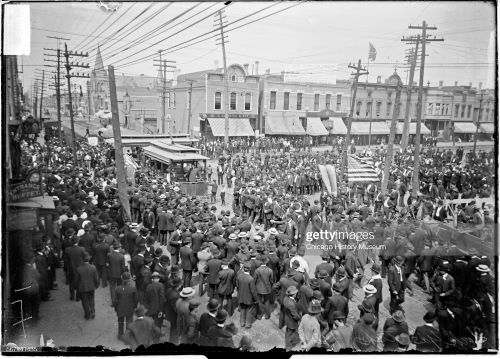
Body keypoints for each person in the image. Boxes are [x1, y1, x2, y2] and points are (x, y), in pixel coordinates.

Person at [75, 252, 99, 320]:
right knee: (91, 300)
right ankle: (93, 311)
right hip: (91, 287)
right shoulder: (93, 267)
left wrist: (75, 287)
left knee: (85, 301)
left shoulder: (79, 269)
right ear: (89, 259)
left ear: (82, 259)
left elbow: (76, 280)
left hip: (82, 288)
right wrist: (96, 285)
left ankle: (87, 315)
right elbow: (96, 278)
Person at [113, 272, 138, 339]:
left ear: (122, 278)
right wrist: (135, 307)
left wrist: (116, 308)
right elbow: (136, 299)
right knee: (129, 322)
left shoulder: (118, 288)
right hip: (130, 308)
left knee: (120, 321)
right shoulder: (133, 288)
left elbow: (115, 300)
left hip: (120, 308)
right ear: (130, 279)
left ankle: (120, 335)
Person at [236, 262, 258, 329]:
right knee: (249, 311)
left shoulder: (239, 276)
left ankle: (242, 323)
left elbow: (237, 286)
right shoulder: (251, 279)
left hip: (241, 297)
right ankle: (247, 324)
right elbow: (253, 291)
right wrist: (256, 299)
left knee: (242, 309)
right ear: (250, 269)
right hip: (249, 298)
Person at [283, 285, 301, 351]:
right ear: (293, 294)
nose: (296, 294)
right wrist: (299, 318)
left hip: (287, 319)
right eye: (296, 293)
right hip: (291, 322)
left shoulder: (286, 298)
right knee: (290, 333)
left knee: (288, 332)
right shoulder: (291, 304)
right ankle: (288, 347)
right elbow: (295, 316)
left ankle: (288, 344)